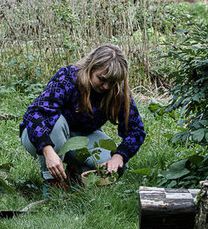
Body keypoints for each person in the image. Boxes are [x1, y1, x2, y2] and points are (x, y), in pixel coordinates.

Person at [20, 44, 146, 195]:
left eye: (112, 82)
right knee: (55, 121)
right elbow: (35, 114)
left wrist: (119, 156)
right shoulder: (68, 77)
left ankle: (76, 176)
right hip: (40, 138)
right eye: (102, 79)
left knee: (115, 169)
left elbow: (136, 130)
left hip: (81, 138)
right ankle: (53, 184)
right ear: (91, 67)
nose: (106, 86)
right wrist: (47, 150)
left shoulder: (117, 90)